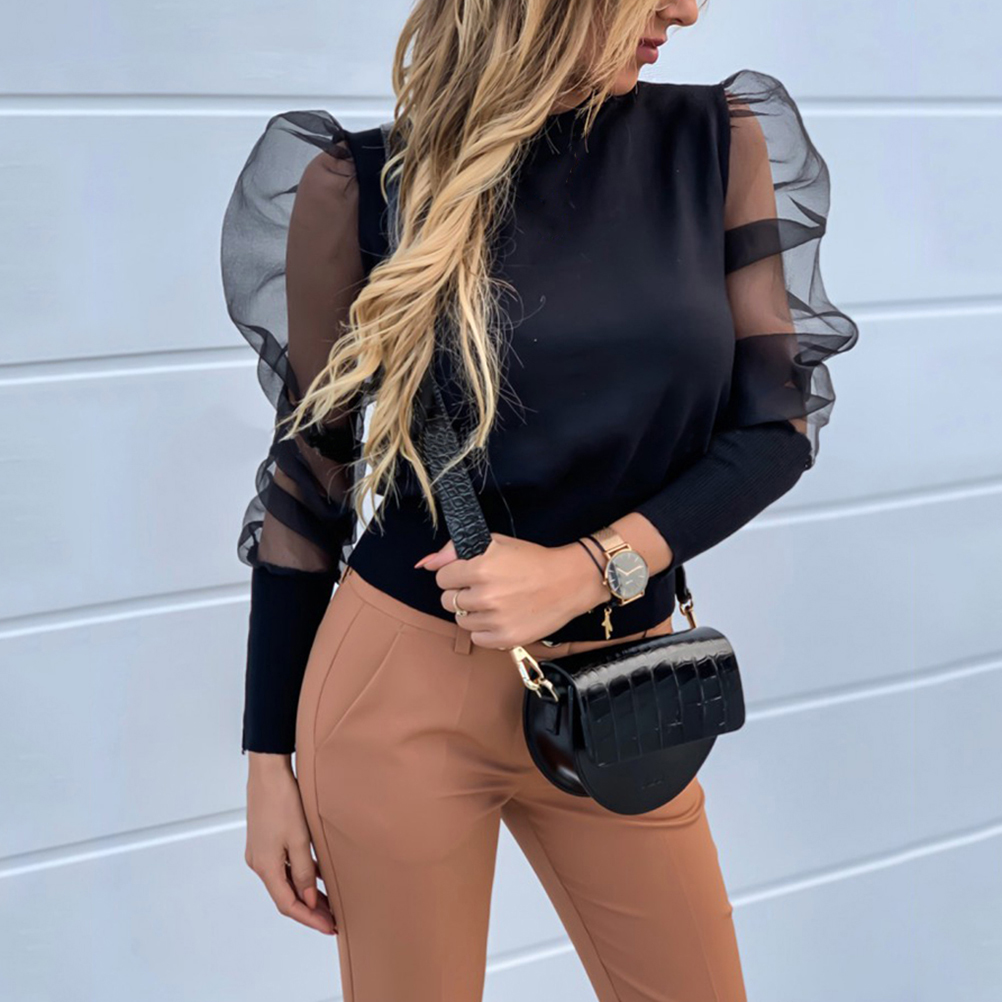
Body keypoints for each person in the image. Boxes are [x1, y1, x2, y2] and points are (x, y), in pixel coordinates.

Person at [220, 1, 858, 998]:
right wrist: (269, 761)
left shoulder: (714, 144)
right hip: (401, 692)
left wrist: (588, 570)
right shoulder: (365, 186)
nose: (687, 10)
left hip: (624, 689)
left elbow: (776, 429)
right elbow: (311, 481)